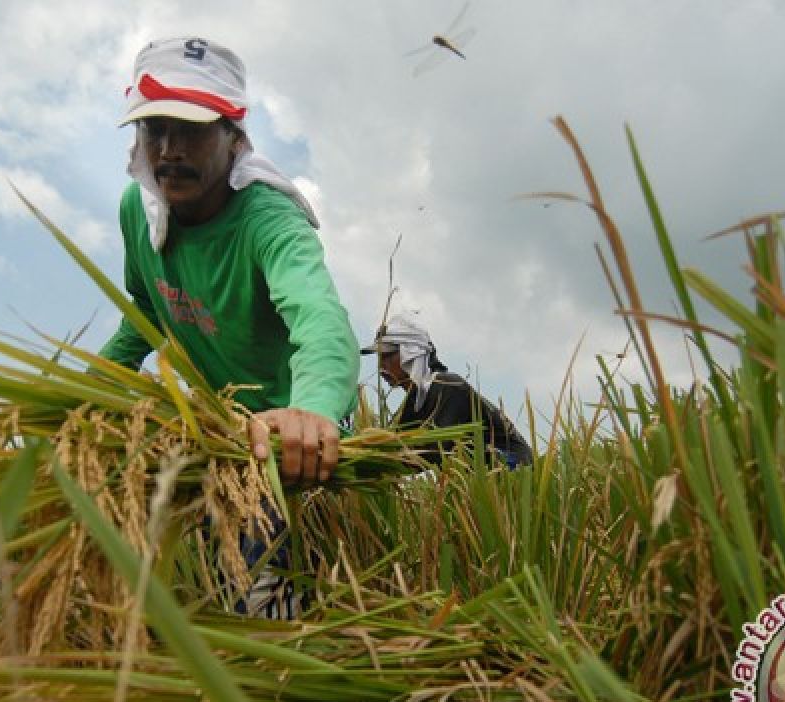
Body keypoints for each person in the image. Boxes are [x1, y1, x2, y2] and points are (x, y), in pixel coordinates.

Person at [97, 37, 360, 617]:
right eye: (154, 130)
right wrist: (81, 400)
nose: (169, 150)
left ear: (234, 138)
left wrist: (311, 410)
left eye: (190, 130)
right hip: (222, 428)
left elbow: (322, 321)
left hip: (290, 432)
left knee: (264, 598)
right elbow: (142, 318)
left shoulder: (269, 221)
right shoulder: (138, 216)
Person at [361, 314, 534, 468]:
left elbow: (436, 450)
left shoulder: (448, 386)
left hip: (513, 466)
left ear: (412, 353)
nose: (380, 365)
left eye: (387, 356)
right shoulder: (414, 403)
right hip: (477, 474)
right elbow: (394, 444)